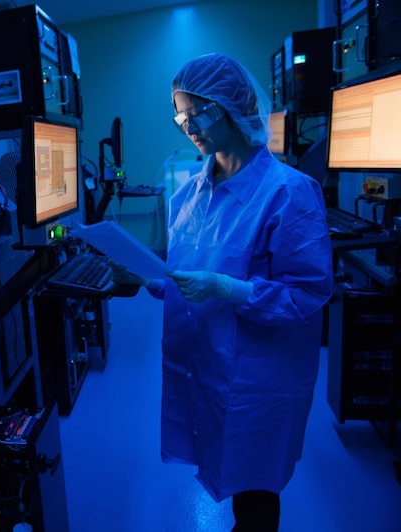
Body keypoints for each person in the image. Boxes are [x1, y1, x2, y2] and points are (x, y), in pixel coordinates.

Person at [112, 52, 333, 531]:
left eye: (200, 112)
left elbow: (309, 293)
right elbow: (190, 274)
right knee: (227, 466)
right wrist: (157, 281)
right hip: (205, 367)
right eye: (182, 115)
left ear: (235, 106)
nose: (190, 126)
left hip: (260, 378)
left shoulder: (288, 193)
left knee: (255, 489)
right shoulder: (187, 194)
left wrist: (229, 288)